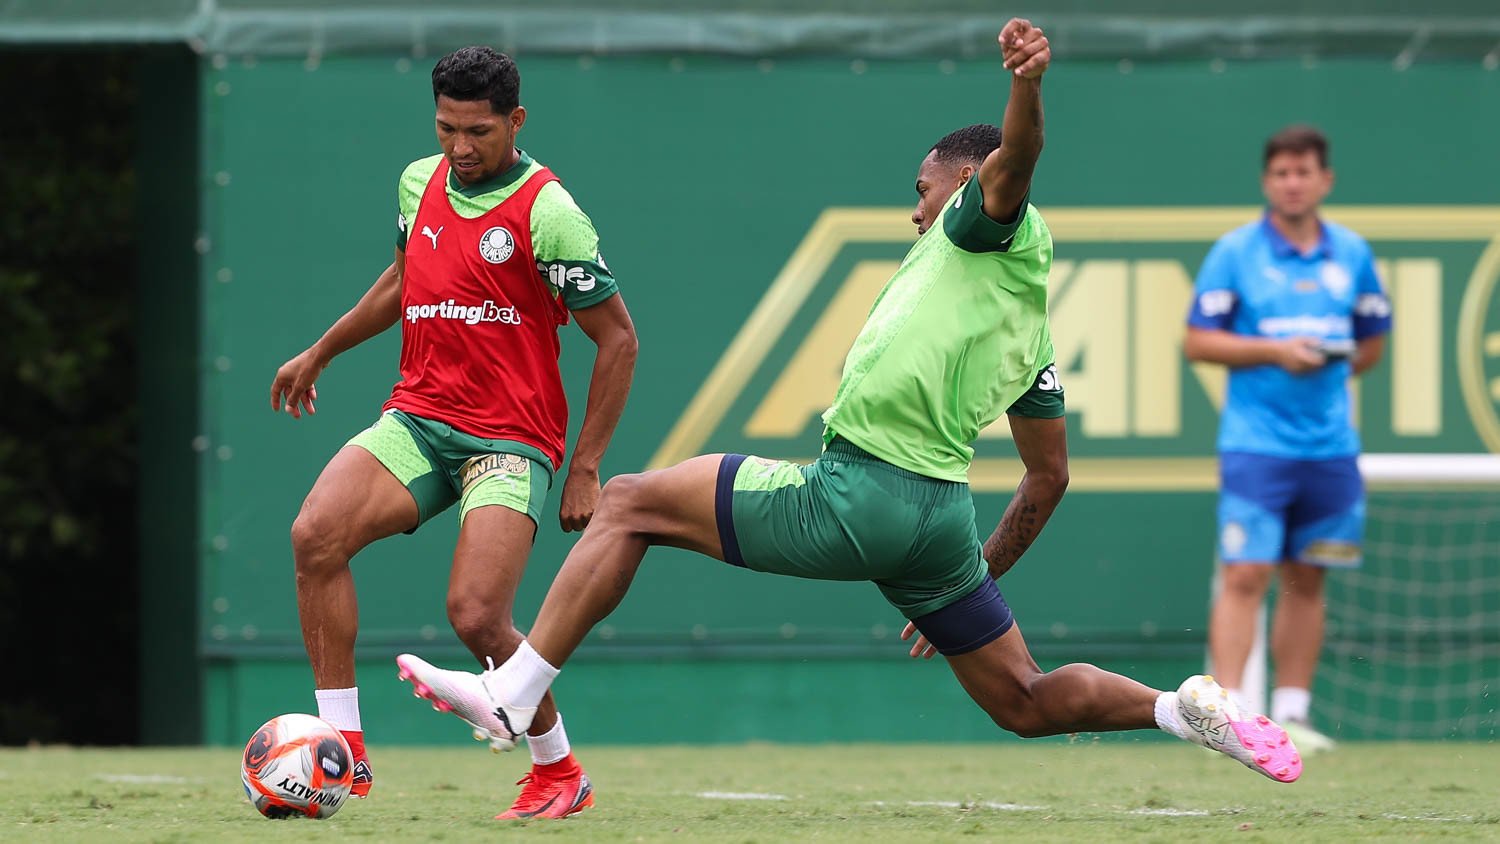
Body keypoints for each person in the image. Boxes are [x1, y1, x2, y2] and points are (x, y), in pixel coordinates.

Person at [394, 20, 1303, 799]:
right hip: (940, 523)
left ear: (966, 182)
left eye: (922, 189)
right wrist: (973, 572)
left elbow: (1016, 161)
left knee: (629, 499)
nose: (916, 212)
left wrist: (1025, 88)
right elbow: (1049, 475)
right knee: (1022, 700)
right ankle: (1176, 709)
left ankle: (515, 694)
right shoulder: (1026, 328)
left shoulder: (986, 221)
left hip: (856, 492)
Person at [269, 46, 638, 817]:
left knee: (475, 615)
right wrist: (320, 350)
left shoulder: (549, 211)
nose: (461, 148)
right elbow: (403, 282)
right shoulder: (419, 180)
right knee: (315, 536)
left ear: (516, 121)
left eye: (479, 132)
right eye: (447, 129)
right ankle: (344, 751)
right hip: (418, 418)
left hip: (510, 438)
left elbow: (619, 340)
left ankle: (558, 772)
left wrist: (585, 466)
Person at [1184, 125, 1391, 753]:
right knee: (1245, 572)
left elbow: (1373, 339)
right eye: (1281, 173)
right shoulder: (1235, 253)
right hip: (1256, 445)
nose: (1293, 183)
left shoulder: (1351, 254)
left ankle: (1293, 715)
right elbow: (1198, 340)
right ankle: (1228, 718)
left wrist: (1327, 366)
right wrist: (1277, 352)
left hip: (1329, 447)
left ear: (1325, 181)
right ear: (1266, 182)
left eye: (1304, 172)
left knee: (1310, 578)